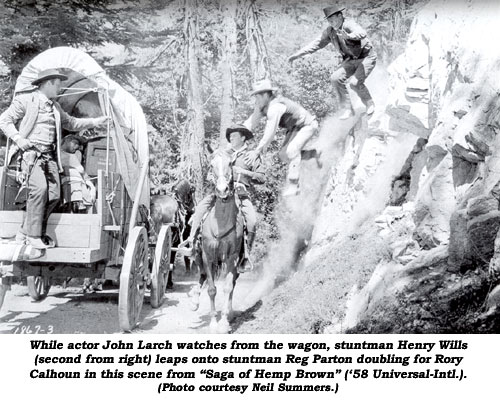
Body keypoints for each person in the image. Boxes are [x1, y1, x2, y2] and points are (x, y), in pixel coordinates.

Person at [0, 68, 108, 249]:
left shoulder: (55, 107)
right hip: (30, 155)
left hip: (50, 158)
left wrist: (96, 121)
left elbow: (72, 123)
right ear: (48, 83)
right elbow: (4, 120)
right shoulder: (26, 100)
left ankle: (24, 232)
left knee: (54, 195)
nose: (59, 88)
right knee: (39, 189)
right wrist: (19, 139)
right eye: (57, 84)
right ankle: (34, 236)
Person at [183, 124, 265, 272]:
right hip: (220, 190)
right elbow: (213, 169)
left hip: (240, 192)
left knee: (252, 221)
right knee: (199, 210)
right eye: (230, 136)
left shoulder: (252, 155)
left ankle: (246, 256)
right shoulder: (223, 154)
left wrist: (245, 172)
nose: (231, 138)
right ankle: (192, 243)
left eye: (234, 136)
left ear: (243, 137)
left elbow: (262, 178)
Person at [288, 5, 377, 119]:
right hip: (350, 59)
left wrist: (349, 36)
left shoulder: (349, 24)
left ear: (340, 16)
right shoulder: (330, 32)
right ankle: (347, 109)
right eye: (329, 21)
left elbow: (362, 33)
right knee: (335, 78)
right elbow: (316, 44)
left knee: (354, 83)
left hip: (366, 57)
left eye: (333, 19)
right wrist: (296, 55)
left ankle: (369, 103)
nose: (331, 23)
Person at [244, 79, 318, 197]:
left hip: (307, 125)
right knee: (283, 155)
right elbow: (251, 123)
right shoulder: (262, 106)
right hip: (294, 128)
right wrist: (236, 133)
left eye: (257, 96)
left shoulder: (275, 107)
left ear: (265, 95)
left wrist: (257, 151)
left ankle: (294, 185)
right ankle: (314, 154)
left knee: (291, 151)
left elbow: (270, 133)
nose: (255, 100)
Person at [60, 134, 96, 212]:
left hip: (80, 184)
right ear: (66, 141)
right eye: (75, 143)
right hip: (69, 185)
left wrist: (91, 185)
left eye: (78, 145)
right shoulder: (59, 155)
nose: (76, 147)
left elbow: (83, 172)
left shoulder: (75, 155)